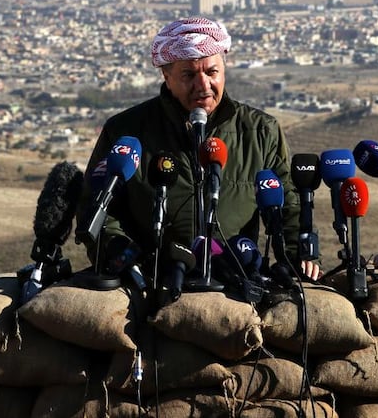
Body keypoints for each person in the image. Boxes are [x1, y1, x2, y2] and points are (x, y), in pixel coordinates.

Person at [75, 16, 320, 293]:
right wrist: (122, 255)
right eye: (189, 75)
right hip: (150, 282)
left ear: (224, 70)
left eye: (211, 72)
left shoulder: (260, 131)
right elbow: (97, 207)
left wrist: (299, 255)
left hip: (236, 280)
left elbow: (287, 203)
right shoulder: (126, 132)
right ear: (166, 77)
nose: (203, 85)